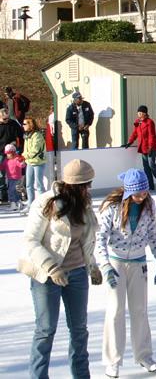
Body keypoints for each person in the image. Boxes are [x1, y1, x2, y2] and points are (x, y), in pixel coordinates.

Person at [17, 159, 102, 379]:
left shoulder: (83, 203)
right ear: (72, 185)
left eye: (89, 184)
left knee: (79, 331)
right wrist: (52, 268)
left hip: (77, 274)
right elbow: (30, 241)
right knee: (45, 330)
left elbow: (86, 240)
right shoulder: (46, 203)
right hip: (46, 276)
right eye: (85, 185)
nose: (88, 189)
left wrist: (92, 265)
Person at [96, 169, 156, 377]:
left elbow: (153, 234)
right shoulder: (112, 208)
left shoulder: (149, 206)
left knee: (139, 310)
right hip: (116, 263)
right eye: (137, 193)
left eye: (144, 192)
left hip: (138, 263)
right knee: (115, 311)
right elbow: (99, 239)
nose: (142, 196)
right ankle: (112, 360)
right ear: (128, 192)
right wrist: (105, 266)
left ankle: (144, 355)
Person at [123, 106, 156, 191]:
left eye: (140, 112)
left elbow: (151, 135)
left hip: (152, 147)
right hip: (143, 148)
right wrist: (129, 142)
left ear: (145, 113)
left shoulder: (149, 122)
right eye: (138, 112)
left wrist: (150, 147)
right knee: (146, 167)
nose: (139, 114)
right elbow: (135, 133)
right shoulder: (138, 122)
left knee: (151, 164)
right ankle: (150, 185)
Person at [21, 117, 46, 214]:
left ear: (30, 125)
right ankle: (30, 204)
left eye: (25, 124)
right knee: (28, 184)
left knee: (39, 184)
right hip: (30, 162)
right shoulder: (27, 135)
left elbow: (35, 150)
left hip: (38, 162)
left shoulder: (37, 135)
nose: (23, 126)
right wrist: (24, 156)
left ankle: (44, 205)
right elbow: (26, 149)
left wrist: (24, 156)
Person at [1, 143, 25, 211]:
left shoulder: (17, 159)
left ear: (13, 153)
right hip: (10, 178)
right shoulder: (6, 160)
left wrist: (22, 164)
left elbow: (21, 165)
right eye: (7, 153)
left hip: (16, 178)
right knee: (13, 191)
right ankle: (18, 202)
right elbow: (2, 166)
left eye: (9, 153)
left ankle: (13, 204)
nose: (8, 155)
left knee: (12, 191)